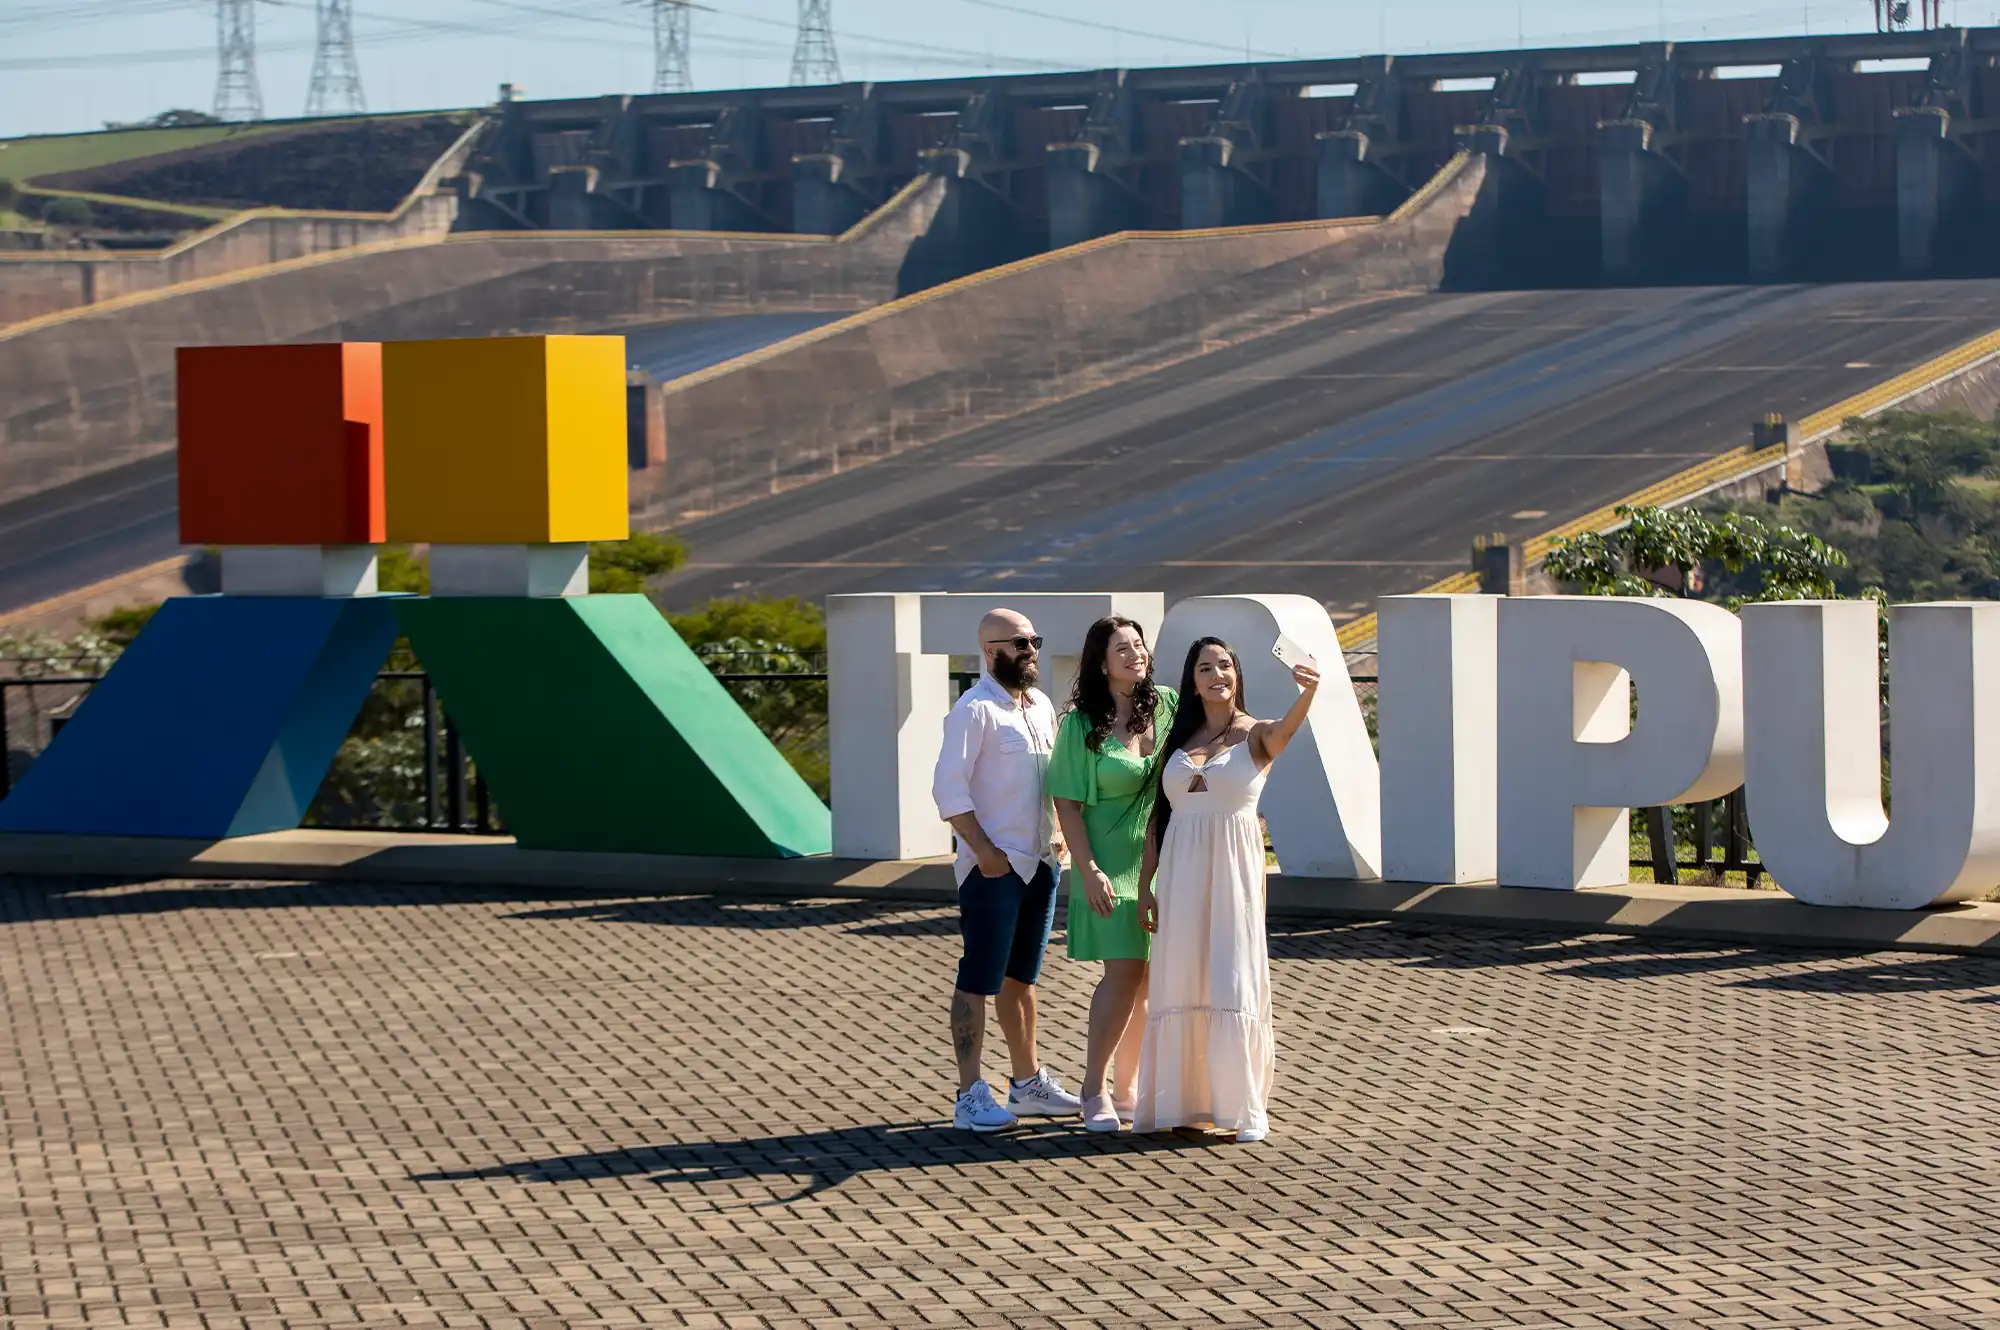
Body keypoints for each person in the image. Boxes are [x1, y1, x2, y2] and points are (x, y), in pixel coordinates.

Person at [1134, 636, 1320, 1144]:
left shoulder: (1255, 734)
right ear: (1192, 681)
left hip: (1232, 876)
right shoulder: (1179, 738)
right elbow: (1159, 816)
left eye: (1224, 665)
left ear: (1237, 674)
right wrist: (1146, 886)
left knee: (1230, 978)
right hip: (1179, 874)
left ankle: (1244, 1108)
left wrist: (1307, 693)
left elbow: (1285, 732)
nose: (1216, 674)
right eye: (1204, 667)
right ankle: (1184, 1101)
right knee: (1180, 980)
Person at [932, 608, 1083, 1132]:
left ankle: (1026, 1085)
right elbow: (948, 790)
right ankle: (969, 1094)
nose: (1032, 650)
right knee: (978, 979)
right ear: (992, 650)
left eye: (1035, 640)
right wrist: (984, 851)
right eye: (1021, 643)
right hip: (993, 870)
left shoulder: (1039, 705)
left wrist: (1060, 835)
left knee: (1022, 980)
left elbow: (1050, 780)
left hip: (1041, 866)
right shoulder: (973, 711)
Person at [1048, 615, 1177, 1133]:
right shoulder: (1080, 723)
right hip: (1108, 867)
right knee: (1122, 974)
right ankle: (1092, 1089)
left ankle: (1129, 1090)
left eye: (1139, 645)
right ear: (1101, 663)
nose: (1134, 655)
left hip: (1166, 860)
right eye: (1121, 649)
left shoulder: (1168, 704)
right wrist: (1089, 868)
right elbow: (1067, 803)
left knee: (1148, 979)